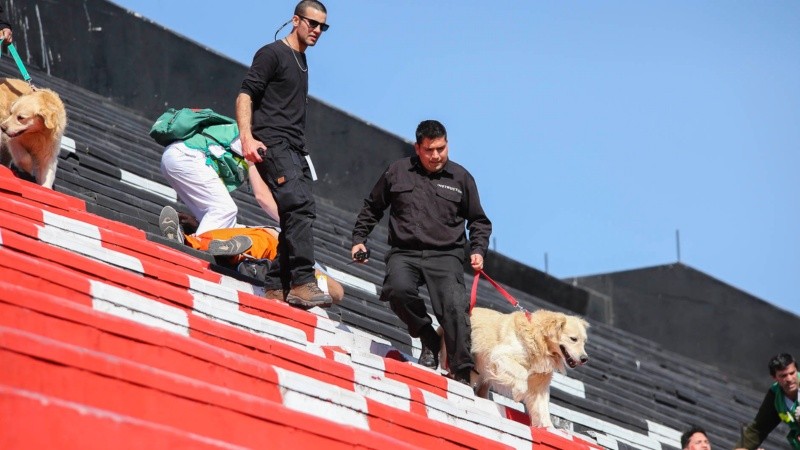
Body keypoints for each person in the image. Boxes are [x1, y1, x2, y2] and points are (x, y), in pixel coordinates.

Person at [350, 119, 492, 384]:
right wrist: (359, 239)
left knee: (454, 306)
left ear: (447, 144)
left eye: (441, 148)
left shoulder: (461, 178)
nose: (436, 155)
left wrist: (478, 249)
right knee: (397, 290)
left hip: (446, 255)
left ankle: (461, 370)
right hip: (405, 252)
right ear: (417, 148)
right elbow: (373, 206)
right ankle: (428, 337)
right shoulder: (397, 171)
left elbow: (479, 221)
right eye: (429, 150)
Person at [236, 0, 331, 309]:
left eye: (323, 26)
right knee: (299, 206)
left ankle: (277, 284)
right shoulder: (272, 53)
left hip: (295, 148)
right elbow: (245, 94)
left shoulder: (301, 60)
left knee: (299, 211)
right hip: (274, 144)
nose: (317, 30)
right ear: (295, 20)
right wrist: (247, 138)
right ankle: (302, 281)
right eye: (312, 23)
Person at [159, 122, 279, 239]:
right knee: (225, 210)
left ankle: (185, 231)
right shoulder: (259, 142)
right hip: (188, 157)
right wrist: (288, 220)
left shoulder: (251, 132)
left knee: (223, 222)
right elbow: (262, 196)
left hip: (174, 157)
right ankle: (196, 244)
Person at [735, 353, 799, 450]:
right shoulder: (775, 396)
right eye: (783, 376)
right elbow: (758, 429)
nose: (789, 379)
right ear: (774, 377)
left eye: (792, 373)